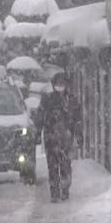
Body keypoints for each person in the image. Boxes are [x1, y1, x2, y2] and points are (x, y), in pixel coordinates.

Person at [34, 72, 83, 203]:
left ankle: (65, 190)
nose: (60, 86)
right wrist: (37, 133)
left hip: (66, 139)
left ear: (67, 85)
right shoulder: (47, 99)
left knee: (66, 165)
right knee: (52, 166)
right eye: (58, 84)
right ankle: (54, 192)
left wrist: (78, 136)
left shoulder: (72, 101)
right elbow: (40, 117)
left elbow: (78, 120)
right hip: (50, 138)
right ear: (53, 85)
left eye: (62, 84)